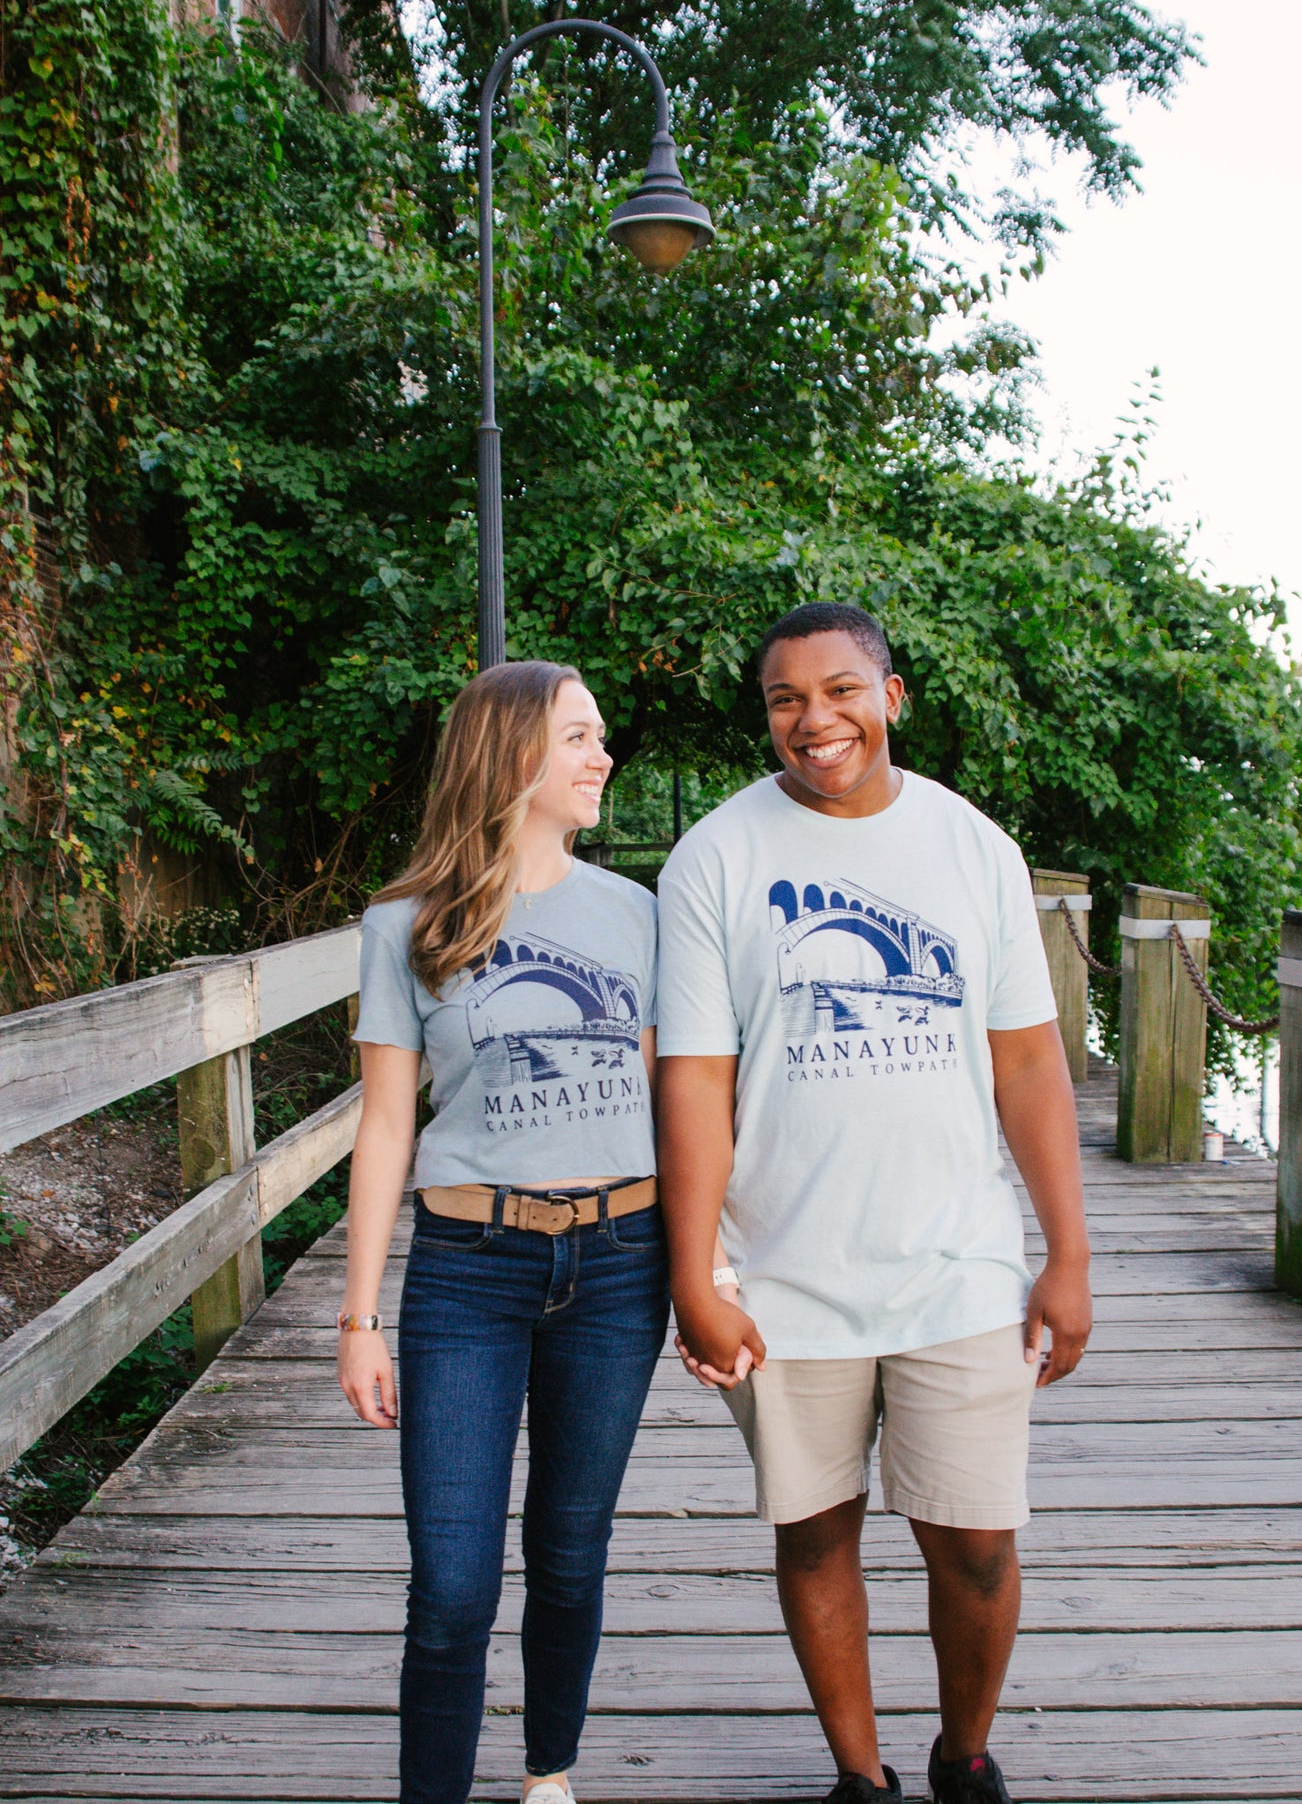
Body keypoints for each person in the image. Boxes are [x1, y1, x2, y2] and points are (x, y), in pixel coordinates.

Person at [657, 602, 1092, 1804]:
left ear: (890, 696)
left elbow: (1026, 1062)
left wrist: (1067, 1252)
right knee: (813, 1531)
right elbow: (690, 1076)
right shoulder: (716, 857)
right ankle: (861, 1776)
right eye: (785, 700)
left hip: (956, 1259)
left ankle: (962, 1754)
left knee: (976, 1541)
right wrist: (693, 1274)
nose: (814, 720)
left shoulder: (972, 849)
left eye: (839, 690)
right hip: (784, 1270)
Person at [337, 661, 668, 1804]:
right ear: (512, 753)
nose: (601, 757)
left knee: (572, 1557)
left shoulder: (638, 913)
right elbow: (384, 1129)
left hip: (622, 1261)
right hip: (465, 1271)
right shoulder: (403, 922)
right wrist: (358, 1316)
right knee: (453, 1586)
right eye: (579, 736)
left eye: (602, 736)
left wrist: (716, 1261)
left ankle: (548, 1779)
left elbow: (673, 1099)